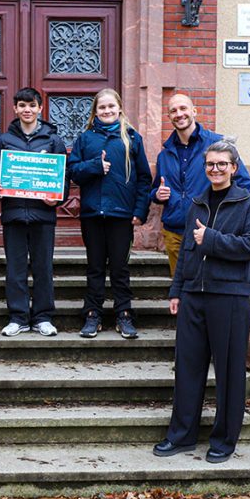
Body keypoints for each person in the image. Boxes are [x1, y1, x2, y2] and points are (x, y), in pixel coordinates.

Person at [153, 138, 250, 464]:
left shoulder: (246, 203)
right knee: (187, 369)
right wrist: (176, 291)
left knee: (229, 374)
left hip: (230, 298)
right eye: (210, 165)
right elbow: (188, 251)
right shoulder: (198, 204)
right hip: (194, 297)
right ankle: (182, 435)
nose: (215, 169)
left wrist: (212, 240)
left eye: (221, 164)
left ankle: (224, 441)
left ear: (233, 168)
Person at [66, 88, 152, 339]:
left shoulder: (132, 139)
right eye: (102, 108)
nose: (107, 111)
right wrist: (94, 166)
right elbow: (74, 172)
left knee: (119, 267)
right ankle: (92, 314)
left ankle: (124, 314)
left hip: (121, 214)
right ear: (95, 112)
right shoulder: (85, 139)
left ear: (119, 109)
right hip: (93, 214)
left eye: (111, 107)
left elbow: (144, 179)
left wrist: (139, 211)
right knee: (94, 267)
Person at [0, 87, 68, 337]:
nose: (27, 110)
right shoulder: (4, 140)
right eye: (22, 105)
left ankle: (43, 317)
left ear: (40, 108)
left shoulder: (53, 140)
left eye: (32, 105)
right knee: (15, 268)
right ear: (14, 108)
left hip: (43, 214)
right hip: (13, 214)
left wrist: (57, 198)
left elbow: (62, 177)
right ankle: (19, 317)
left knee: (43, 267)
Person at [153, 93, 250, 276]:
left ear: (194, 111)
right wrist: (157, 195)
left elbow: (243, 183)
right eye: (173, 111)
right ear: (169, 117)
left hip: (208, 230)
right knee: (181, 288)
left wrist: (226, 217)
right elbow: (154, 189)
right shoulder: (164, 155)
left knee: (209, 285)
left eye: (183, 108)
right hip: (174, 232)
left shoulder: (216, 144)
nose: (179, 114)